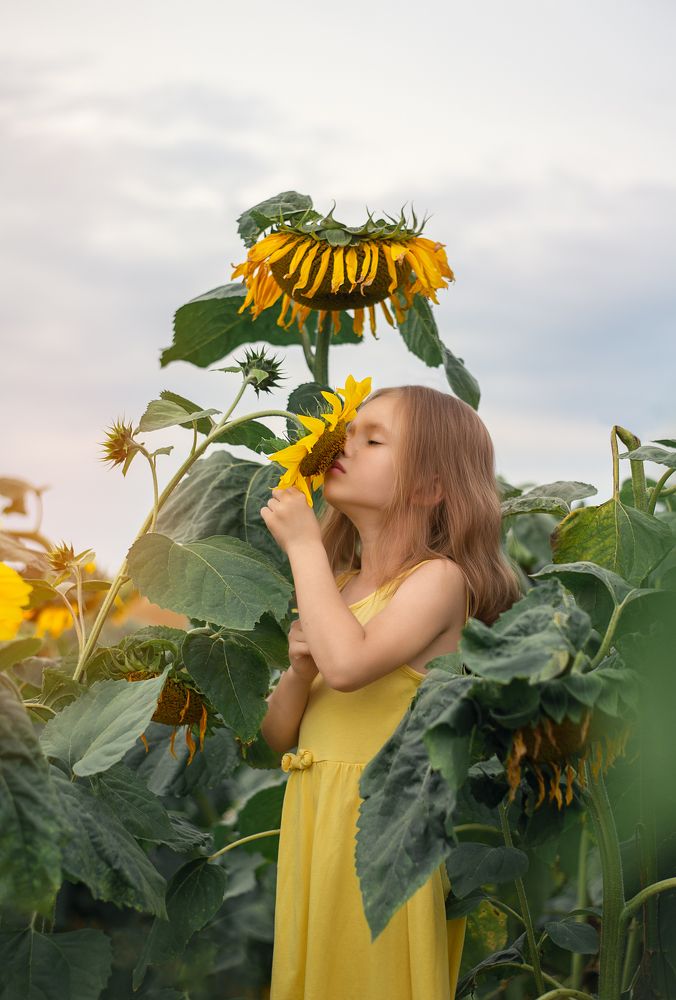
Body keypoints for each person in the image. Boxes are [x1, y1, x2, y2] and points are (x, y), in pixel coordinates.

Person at [259, 384, 522, 1000]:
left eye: (372, 439)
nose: (344, 444)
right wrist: (298, 673)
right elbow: (277, 737)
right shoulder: (342, 586)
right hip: (317, 815)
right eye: (348, 433)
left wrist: (301, 545)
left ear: (430, 486)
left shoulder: (438, 581)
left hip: (383, 825)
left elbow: (348, 668)